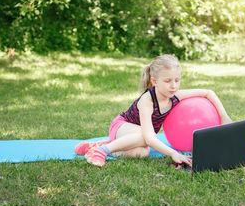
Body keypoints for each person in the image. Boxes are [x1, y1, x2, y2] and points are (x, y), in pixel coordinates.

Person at [75, 54, 233, 167]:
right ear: (155, 81)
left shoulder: (175, 96)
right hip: (122, 127)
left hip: (137, 138)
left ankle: (102, 146)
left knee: (143, 152)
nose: (174, 86)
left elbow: (208, 93)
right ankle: (101, 151)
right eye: (168, 81)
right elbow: (150, 137)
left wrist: (223, 116)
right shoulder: (147, 101)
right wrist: (173, 153)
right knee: (145, 138)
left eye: (177, 80)